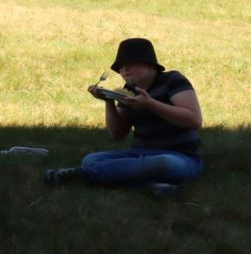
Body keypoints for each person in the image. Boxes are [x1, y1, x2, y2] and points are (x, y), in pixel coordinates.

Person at [45, 38, 203, 198]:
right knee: (91, 159)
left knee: (163, 162)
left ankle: (82, 175)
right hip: (139, 153)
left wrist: (150, 104)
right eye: (120, 66)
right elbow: (118, 134)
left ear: (150, 65)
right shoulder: (129, 90)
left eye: (131, 63)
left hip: (181, 156)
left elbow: (194, 120)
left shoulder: (173, 80)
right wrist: (109, 101)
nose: (124, 69)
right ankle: (152, 186)